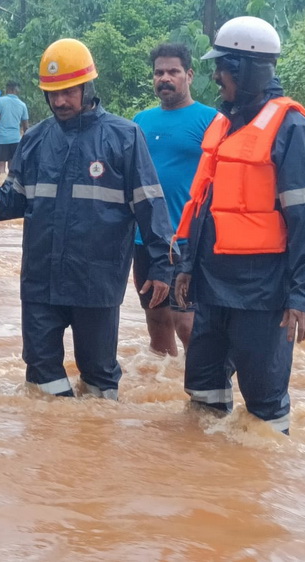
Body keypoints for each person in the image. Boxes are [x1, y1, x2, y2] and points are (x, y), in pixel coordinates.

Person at [0, 38, 174, 399]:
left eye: (69, 91)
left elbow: (150, 206)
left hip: (96, 281)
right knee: (42, 379)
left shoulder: (124, 137)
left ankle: (94, 450)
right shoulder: (36, 140)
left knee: (100, 380)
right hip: (41, 282)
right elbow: (12, 200)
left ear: (88, 87)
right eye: (52, 93)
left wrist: (162, 268)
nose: (60, 101)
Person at [174, 16, 305, 434]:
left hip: (263, 294)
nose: (215, 75)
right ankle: (210, 485)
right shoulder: (224, 124)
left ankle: (258, 488)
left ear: (242, 68)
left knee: (263, 406)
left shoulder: (292, 128)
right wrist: (187, 265)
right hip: (212, 285)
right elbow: (205, 204)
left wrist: (302, 296)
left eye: (221, 66)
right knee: (203, 391)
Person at [132, 43, 217, 357]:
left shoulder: (211, 120)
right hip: (145, 238)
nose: (164, 78)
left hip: (186, 237)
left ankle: (203, 388)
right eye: (158, 72)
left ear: (189, 75)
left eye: (173, 72)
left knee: (187, 322)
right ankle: (164, 393)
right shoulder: (140, 120)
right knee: (155, 317)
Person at [0, 81, 29, 175]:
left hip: (2, 140)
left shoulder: (0, 101)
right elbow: (26, 127)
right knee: (12, 168)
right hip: (16, 140)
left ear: (7, 89)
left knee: (1, 165)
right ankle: (10, 187)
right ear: (16, 90)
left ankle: (1, 186)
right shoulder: (22, 105)